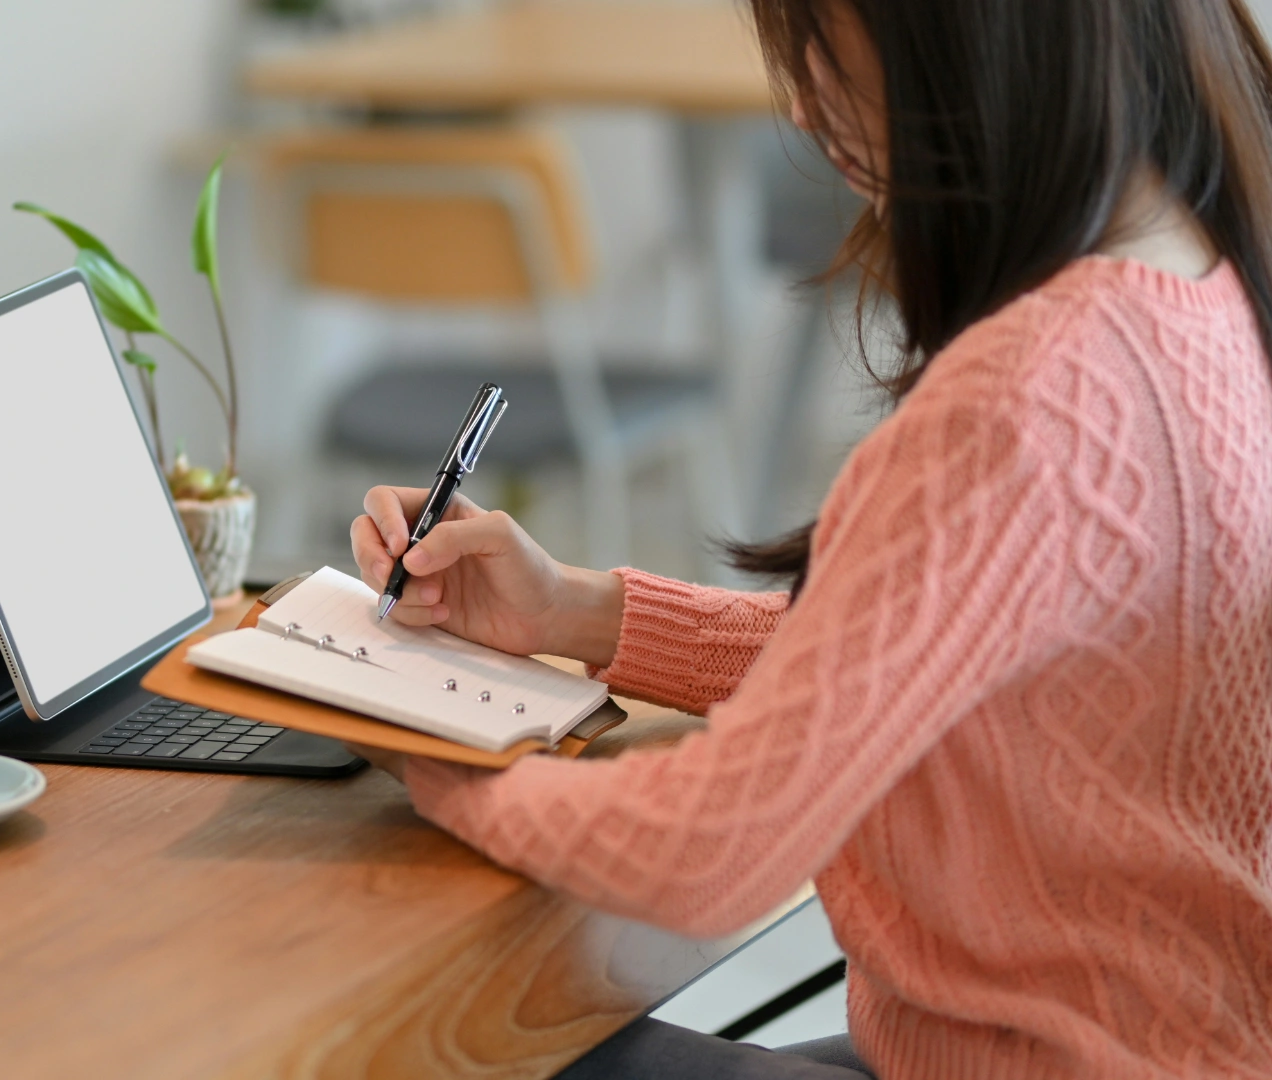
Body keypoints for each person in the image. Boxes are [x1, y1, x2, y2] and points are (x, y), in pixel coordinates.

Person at [347, 0, 1272, 1076]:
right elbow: (917, 655)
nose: (799, 100)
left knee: (445, 1054)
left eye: (820, 44)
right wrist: (579, 613)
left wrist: (434, 758)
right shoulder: (1201, 272)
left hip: (1055, 1054)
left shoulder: (1030, 398)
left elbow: (711, 851)